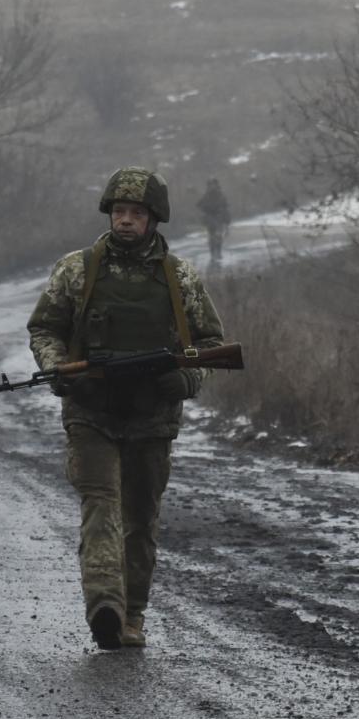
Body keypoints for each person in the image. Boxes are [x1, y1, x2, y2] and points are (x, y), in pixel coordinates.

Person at [27, 166, 225, 650]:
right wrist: (59, 369)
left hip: (153, 417)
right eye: (119, 211)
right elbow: (45, 327)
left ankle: (132, 614)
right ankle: (105, 607)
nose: (125, 221)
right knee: (101, 506)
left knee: (140, 519)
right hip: (91, 411)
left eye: (136, 213)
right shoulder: (78, 269)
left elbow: (212, 343)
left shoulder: (178, 278)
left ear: (154, 219)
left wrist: (185, 377)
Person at [196, 177, 231, 266]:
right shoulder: (207, 195)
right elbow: (199, 204)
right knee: (212, 236)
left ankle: (218, 253)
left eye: (213, 185)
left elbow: (225, 208)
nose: (212, 186)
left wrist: (227, 221)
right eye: (211, 185)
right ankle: (213, 255)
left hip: (218, 217)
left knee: (218, 236)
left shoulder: (220, 195)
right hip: (210, 218)